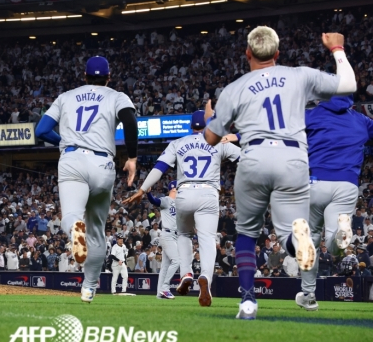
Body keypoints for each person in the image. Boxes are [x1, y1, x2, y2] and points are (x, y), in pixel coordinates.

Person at [203, 27, 356, 319]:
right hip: (293, 157)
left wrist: (211, 117)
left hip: (254, 156)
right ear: (277, 54)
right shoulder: (299, 75)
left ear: (247, 53)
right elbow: (348, 84)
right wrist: (337, 49)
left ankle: (248, 301)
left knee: (247, 233)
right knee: (289, 231)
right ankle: (298, 243)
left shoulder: (235, 88)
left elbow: (211, 139)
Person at [35, 55, 138, 303]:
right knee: (97, 232)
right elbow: (130, 121)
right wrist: (132, 158)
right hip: (103, 164)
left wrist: (67, 142)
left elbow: (40, 131)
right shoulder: (116, 96)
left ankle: (74, 230)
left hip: (72, 161)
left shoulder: (66, 97)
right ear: (108, 77)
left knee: (72, 216)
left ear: (85, 76)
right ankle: (89, 288)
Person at [125, 111, 240, 307]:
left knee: (184, 235)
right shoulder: (219, 142)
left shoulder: (178, 143)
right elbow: (244, 159)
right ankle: (205, 277)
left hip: (184, 192)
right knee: (206, 239)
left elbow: (159, 168)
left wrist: (142, 189)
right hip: (208, 193)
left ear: (190, 126)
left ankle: (186, 273)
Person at [294, 96, 373, 310]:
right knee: (334, 242)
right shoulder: (361, 120)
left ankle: (309, 295)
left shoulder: (310, 115)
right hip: (347, 185)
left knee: (307, 241)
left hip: (315, 183)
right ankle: (340, 237)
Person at [146, 181, 179, 300]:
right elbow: (155, 201)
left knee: (165, 266)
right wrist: (149, 193)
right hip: (167, 234)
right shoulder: (166, 200)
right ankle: (165, 288)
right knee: (176, 261)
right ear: (174, 189)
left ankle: (159, 294)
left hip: (174, 235)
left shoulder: (179, 203)